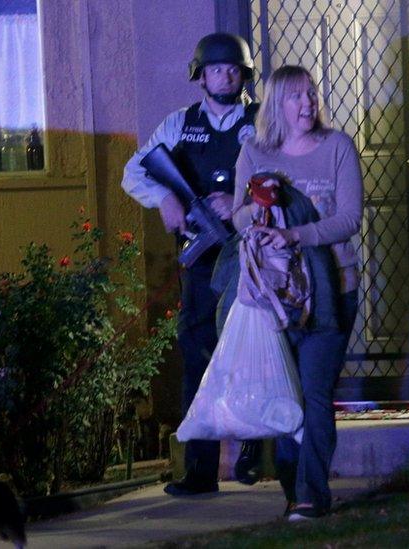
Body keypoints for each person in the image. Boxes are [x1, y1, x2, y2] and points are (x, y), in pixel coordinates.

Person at [121, 32, 262, 496]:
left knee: (252, 353)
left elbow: (283, 176)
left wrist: (238, 200)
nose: (225, 75)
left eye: (233, 68)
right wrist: (163, 195)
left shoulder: (262, 122)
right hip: (200, 261)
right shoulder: (178, 125)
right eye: (216, 68)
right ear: (200, 74)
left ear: (245, 74)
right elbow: (133, 171)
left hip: (252, 255)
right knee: (197, 357)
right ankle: (198, 471)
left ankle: (252, 456)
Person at [232, 65, 362, 521]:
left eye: (311, 95)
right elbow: (237, 220)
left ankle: (310, 494)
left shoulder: (337, 148)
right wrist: (257, 203)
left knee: (315, 392)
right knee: (287, 395)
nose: (308, 103)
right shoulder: (253, 153)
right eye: (296, 97)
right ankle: (294, 490)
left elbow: (349, 219)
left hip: (333, 289)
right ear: (276, 105)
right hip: (276, 297)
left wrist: (297, 236)